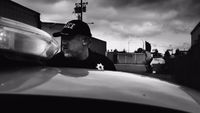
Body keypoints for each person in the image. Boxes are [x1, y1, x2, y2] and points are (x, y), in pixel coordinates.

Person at [47, 20, 116, 71]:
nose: (64, 42)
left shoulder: (105, 64)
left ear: (85, 41)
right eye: (63, 38)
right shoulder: (55, 62)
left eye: (68, 38)